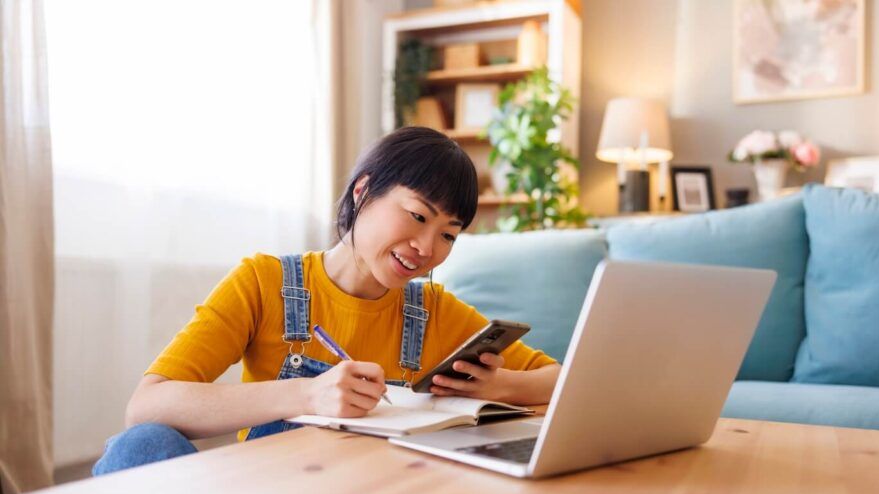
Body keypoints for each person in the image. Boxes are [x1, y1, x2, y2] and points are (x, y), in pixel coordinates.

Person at [93, 127, 561, 476]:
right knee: (141, 445)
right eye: (417, 215)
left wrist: (497, 389)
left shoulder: (436, 310)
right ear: (363, 191)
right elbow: (147, 406)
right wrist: (308, 394)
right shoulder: (263, 282)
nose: (426, 246)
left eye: (448, 235)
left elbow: (564, 380)